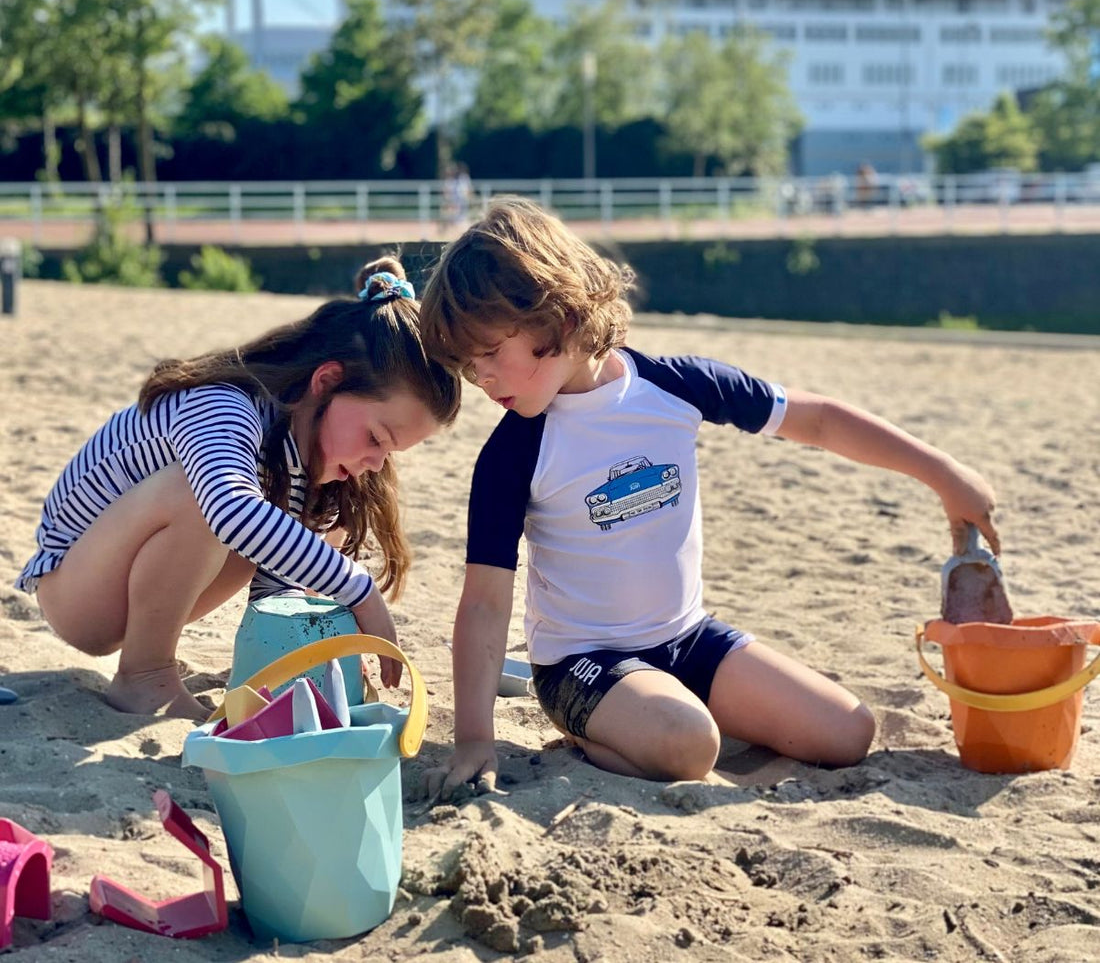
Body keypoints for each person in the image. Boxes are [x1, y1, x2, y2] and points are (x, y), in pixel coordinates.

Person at [418, 196, 1000, 792]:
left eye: (490, 354)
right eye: (469, 365)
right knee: (690, 746)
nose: (481, 378)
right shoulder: (512, 453)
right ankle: (600, 732)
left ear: (559, 316)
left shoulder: (675, 388)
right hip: (581, 666)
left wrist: (946, 476)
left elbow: (819, 421)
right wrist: (474, 742)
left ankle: (657, 713)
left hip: (688, 639)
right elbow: (485, 604)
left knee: (848, 732)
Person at [15, 259, 461, 719]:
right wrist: (359, 591)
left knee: (319, 530)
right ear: (326, 381)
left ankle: (156, 664)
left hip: (137, 589)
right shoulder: (225, 404)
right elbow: (227, 509)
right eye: (375, 439)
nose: (374, 464)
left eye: (390, 453)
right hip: (76, 589)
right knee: (206, 496)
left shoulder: (306, 456)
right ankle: (145, 675)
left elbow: (276, 584)